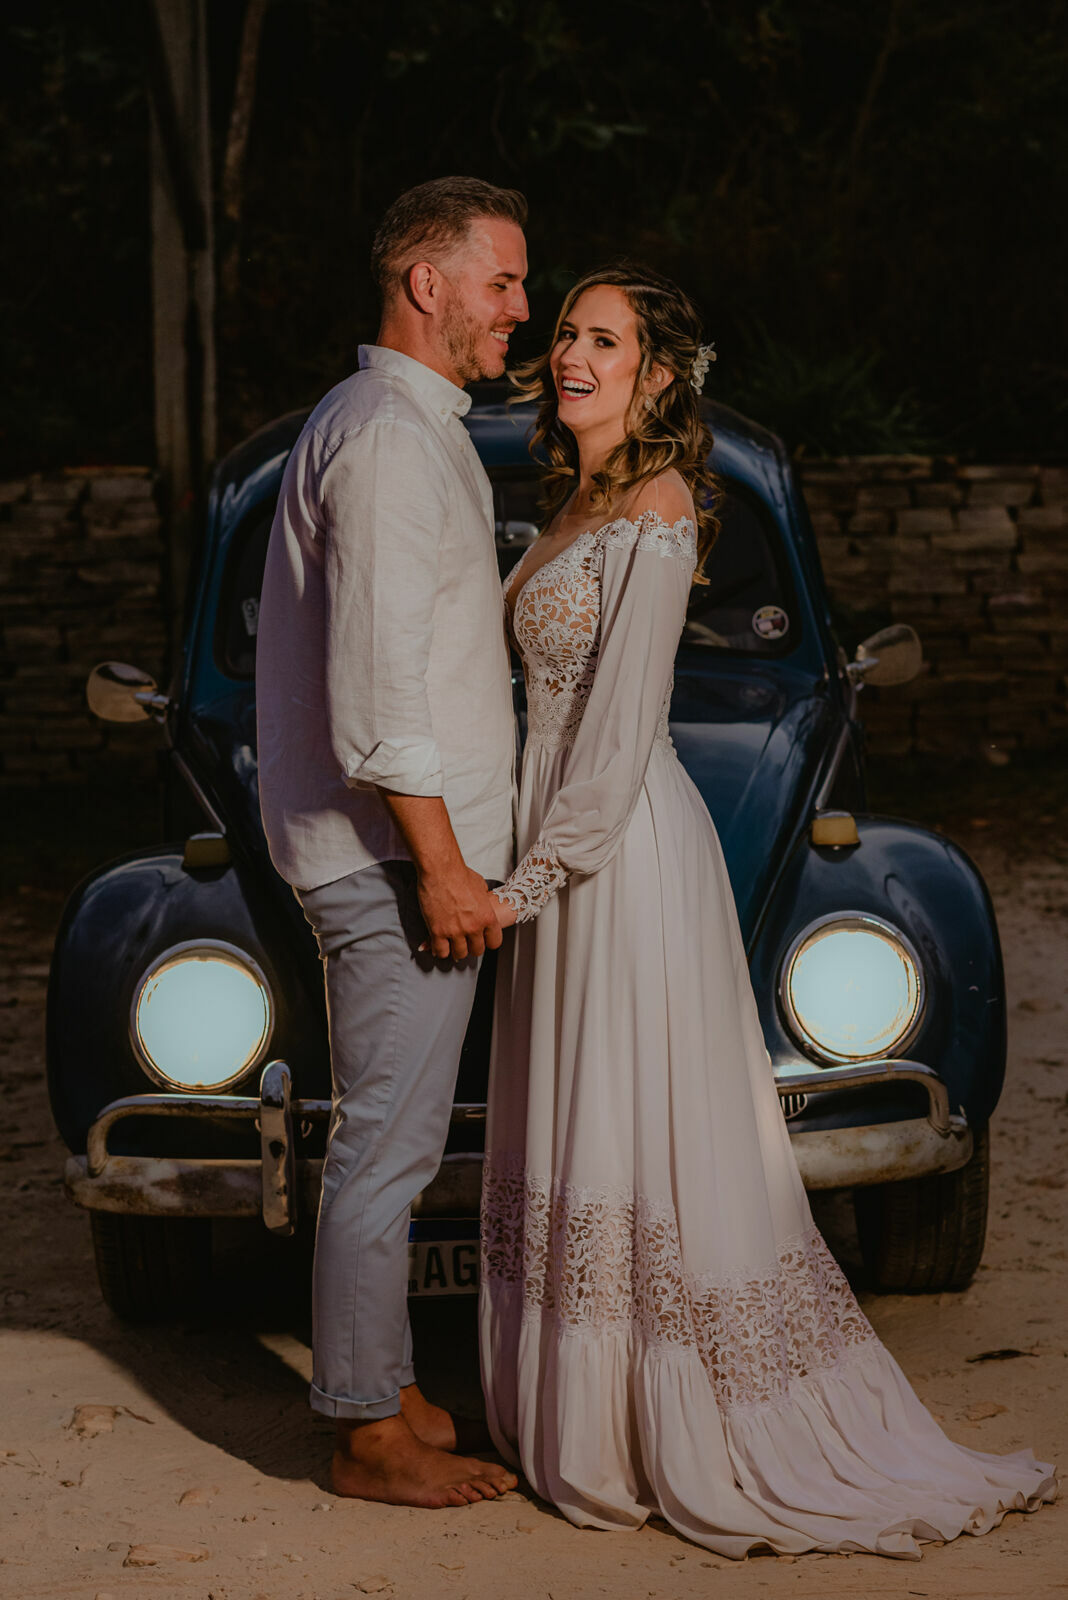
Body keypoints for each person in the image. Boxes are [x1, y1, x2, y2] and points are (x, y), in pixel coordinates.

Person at [479, 263, 1056, 1555]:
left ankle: (661, 1422)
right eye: (565, 331)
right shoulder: (572, 499)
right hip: (567, 847)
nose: (572, 352)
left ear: (659, 376)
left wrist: (520, 884)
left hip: (616, 856)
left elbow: (622, 735)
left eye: (603, 339)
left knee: (638, 1124)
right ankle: (585, 1417)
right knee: (587, 1121)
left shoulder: (664, 503)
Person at [256, 176, 529, 1508]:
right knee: (386, 1150)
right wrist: (441, 863)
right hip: (386, 864)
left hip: (392, 855)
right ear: (428, 283)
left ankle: (394, 1381)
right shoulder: (382, 438)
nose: (518, 310)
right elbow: (376, 696)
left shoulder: (404, 427)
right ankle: (365, 1430)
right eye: (504, 281)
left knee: (397, 1139)